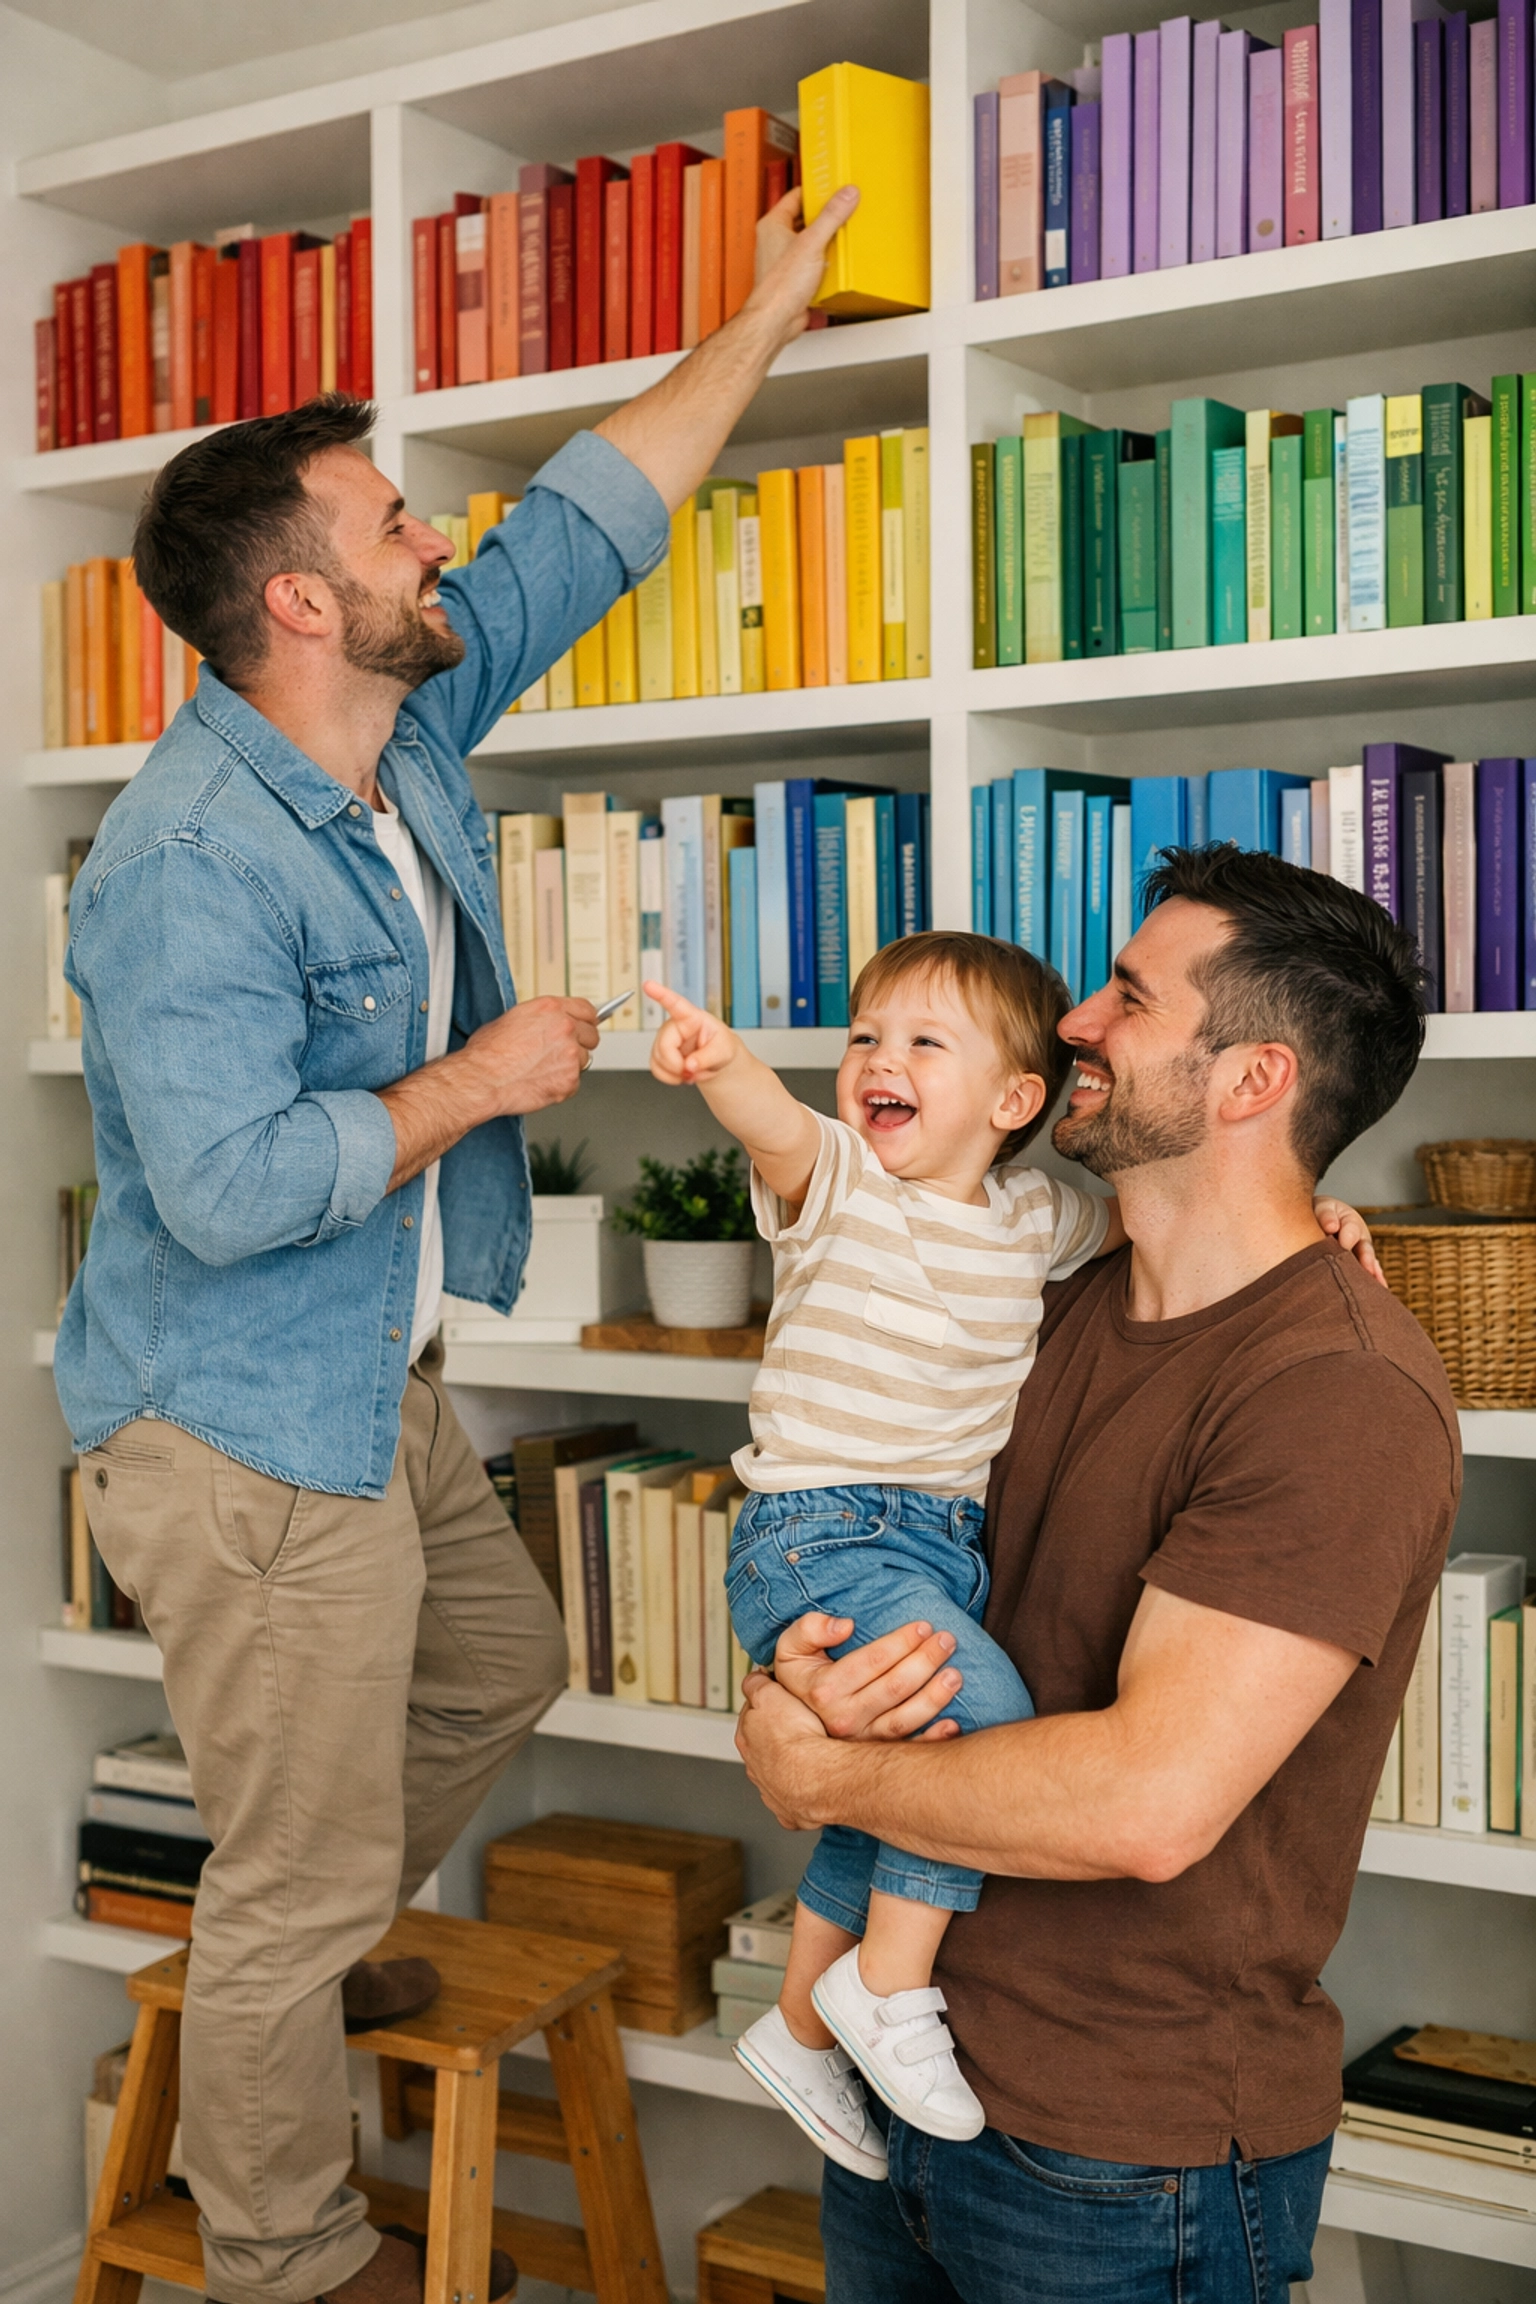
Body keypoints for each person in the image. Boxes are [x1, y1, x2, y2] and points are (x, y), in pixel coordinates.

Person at [57, 183, 859, 2304]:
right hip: (234, 1425)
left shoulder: (395, 724)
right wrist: (480, 1084)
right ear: (301, 600)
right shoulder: (183, 867)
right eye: (397, 524)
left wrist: (767, 313)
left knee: (505, 1668)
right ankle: (291, 2247)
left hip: (368, 1382)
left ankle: (299, 1942)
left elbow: (592, 519)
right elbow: (228, 1192)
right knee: (296, 1886)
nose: (441, 545)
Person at [732, 846, 1462, 2304]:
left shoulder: (1339, 1390)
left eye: (1128, 997)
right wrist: (787, 1682)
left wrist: (812, 1773)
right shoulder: (1032, 1301)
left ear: (1250, 1081)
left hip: (1128, 2161)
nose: (1074, 1022)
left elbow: (1146, 1806)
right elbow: (857, 1545)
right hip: (907, 2095)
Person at [642, 923, 1379, 2182]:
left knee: (923, 1746)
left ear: (1014, 1100)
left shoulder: (1045, 1226)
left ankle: (817, 2020)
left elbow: (1187, 1216)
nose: (880, 1059)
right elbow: (773, 1125)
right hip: (827, 1527)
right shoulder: (845, 1185)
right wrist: (721, 1061)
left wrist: (1308, 1209)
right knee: (972, 1715)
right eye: (868, 1037)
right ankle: (883, 1999)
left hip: (1123, 2136)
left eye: (925, 1042)